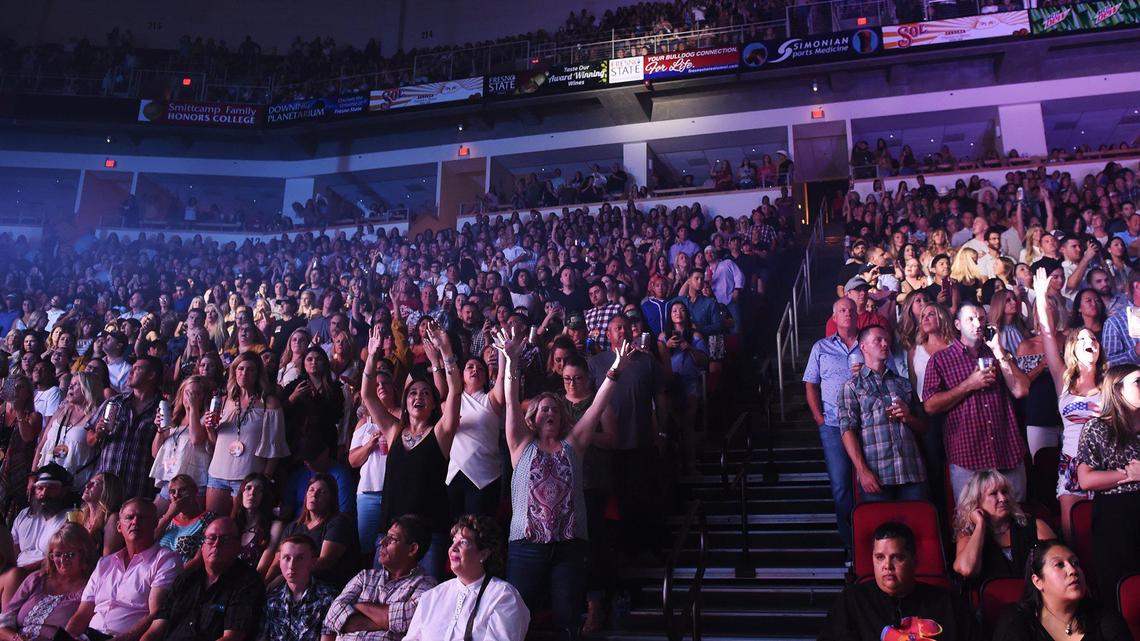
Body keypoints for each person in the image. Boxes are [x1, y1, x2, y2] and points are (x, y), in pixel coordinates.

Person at [497, 326, 630, 639]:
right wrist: (511, 362)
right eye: (543, 408)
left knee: (567, 618)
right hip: (526, 546)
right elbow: (510, 401)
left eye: (555, 409)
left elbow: (597, 405)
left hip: (569, 546)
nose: (550, 412)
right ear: (533, 418)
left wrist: (614, 370)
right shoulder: (520, 444)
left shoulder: (575, 444)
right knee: (519, 618)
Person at [361, 320, 462, 580]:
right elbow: (368, 396)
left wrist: (446, 350)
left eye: (426, 394)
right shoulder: (394, 431)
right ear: (405, 402)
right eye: (413, 393)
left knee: (424, 602)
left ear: (433, 404)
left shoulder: (441, 432)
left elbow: (455, 391)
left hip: (428, 533)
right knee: (381, 591)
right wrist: (372, 358)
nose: (419, 397)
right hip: (390, 530)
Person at [923, 302, 1030, 502]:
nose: (978, 323)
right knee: (970, 521)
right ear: (957, 325)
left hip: (1006, 450)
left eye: (981, 318)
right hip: (968, 455)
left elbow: (1021, 389)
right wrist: (968, 385)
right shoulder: (941, 360)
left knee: (1017, 519)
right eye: (970, 319)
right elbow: (930, 405)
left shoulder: (997, 354)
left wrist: (998, 350)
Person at [1033, 267, 1104, 542]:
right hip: (1072, 465)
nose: (1089, 342)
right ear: (1072, 349)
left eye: (1093, 339)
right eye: (1082, 339)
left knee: (1105, 536)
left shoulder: (1110, 384)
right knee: (1074, 538)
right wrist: (1040, 298)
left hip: (1104, 467)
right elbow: (1049, 334)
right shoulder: (1064, 382)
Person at [817, 522, 977, 641]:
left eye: (897, 557)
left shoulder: (948, 603)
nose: (887, 566)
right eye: (880, 557)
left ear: (914, 560)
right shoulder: (852, 601)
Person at [65, 499, 182, 641]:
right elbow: (83, 612)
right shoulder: (104, 564)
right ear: (119, 527)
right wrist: (68, 637)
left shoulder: (165, 560)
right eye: (129, 517)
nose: (135, 522)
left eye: (142, 517)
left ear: (155, 523)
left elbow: (156, 614)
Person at [1074, 363, 1140, 609]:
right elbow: (1086, 479)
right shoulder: (1098, 427)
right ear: (1118, 389)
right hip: (1115, 515)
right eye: (1138, 382)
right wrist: (1130, 474)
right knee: (1121, 588)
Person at [402, 515, 528, 641]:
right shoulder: (431, 597)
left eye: (463, 542)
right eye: (453, 541)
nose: (453, 548)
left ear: (484, 554)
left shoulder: (503, 596)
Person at [838, 325, 928, 501]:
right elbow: (847, 431)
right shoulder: (852, 386)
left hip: (911, 473)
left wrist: (908, 417)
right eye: (878, 340)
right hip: (878, 476)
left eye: (886, 340)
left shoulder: (904, 383)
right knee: (880, 527)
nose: (885, 344)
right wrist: (862, 471)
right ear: (863, 347)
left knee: (917, 526)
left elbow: (924, 427)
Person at [139, 518, 264, 641]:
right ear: (202, 546)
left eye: (225, 539)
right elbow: (154, 631)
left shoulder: (248, 582)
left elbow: (232, 637)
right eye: (211, 538)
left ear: (238, 546)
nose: (216, 544)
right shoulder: (186, 578)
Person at [201, 352, 290, 516]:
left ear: (258, 374)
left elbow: (275, 448)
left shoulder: (269, 403)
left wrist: (264, 479)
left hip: (248, 478)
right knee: (213, 524)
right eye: (240, 369)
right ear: (234, 372)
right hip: (217, 474)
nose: (244, 373)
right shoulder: (224, 400)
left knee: (238, 527)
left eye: (250, 370)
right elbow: (215, 442)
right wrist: (209, 428)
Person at [323, 515, 437, 641]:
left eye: (392, 539)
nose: (382, 542)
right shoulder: (365, 576)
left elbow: (405, 621)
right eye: (385, 536)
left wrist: (357, 606)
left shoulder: (426, 585)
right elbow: (332, 615)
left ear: (412, 549)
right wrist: (384, 623)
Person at [804, 298, 860, 549]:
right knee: (840, 486)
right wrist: (819, 417)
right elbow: (811, 384)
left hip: (866, 424)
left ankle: (870, 542)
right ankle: (851, 546)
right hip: (833, 425)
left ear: (858, 315)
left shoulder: (868, 344)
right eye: (842, 311)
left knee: (869, 485)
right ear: (834, 318)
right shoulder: (820, 347)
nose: (847, 314)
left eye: (851, 310)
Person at [993, 540, 1133, 641]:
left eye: (1076, 563)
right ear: (1037, 581)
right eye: (1059, 565)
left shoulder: (1105, 618)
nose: (1073, 570)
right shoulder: (1017, 620)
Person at [951, 469, 1055, 586]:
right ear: (977, 501)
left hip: (1036, 600)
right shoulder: (968, 534)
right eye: (993, 493)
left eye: (1004, 492)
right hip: (993, 602)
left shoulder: (1035, 526)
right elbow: (966, 570)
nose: (1003, 498)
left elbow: (1059, 566)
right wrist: (980, 525)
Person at [0, 523, 97, 641]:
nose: (62, 560)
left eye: (70, 555)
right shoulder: (36, 579)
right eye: (57, 554)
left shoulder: (90, 587)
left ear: (83, 554)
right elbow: (4, 622)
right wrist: (14, 638)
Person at [85, 356, 163, 500]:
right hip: (105, 486)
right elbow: (89, 439)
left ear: (151, 375)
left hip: (139, 486)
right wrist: (98, 434)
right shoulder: (114, 403)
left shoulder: (162, 408)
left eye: (137, 369)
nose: (130, 372)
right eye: (131, 368)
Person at [270, 474, 358, 588]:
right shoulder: (293, 527)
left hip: (324, 586)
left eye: (322, 492)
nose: (314, 495)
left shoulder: (339, 523)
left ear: (331, 499)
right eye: (311, 490)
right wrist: (265, 583)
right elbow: (277, 562)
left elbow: (324, 562)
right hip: (292, 582)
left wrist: (285, 577)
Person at [3, 465, 72, 607]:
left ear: (64, 491)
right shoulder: (24, 515)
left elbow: (58, 560)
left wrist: (19, 572)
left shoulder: (70, 517)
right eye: (40, 488)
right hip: (13, 574)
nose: (44, 493)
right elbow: (12, 553)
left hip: (44, 577)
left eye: (51, 488)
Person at [447, 355, 504, 520]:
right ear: (461, 374)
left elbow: (501, 377)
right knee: (454, 532)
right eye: (470, 367)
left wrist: (502, 352)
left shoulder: (491, 399)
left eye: (480, 369)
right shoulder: (451, 402)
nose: (475, 370)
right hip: (453, 475)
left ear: (486, 377)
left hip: (485, 476)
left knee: (479, 534)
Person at [150, 376, 211, 513]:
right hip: (171, 481)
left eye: (196, 394)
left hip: (195, 482)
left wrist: (193, 409)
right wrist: (160, 430)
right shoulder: (174, 420)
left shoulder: (205, 418)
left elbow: (196, 439)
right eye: (188, 393)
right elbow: (155, 453)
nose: (191, 397)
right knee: (155, 516)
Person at [261, 535, 337, 641]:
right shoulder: (272, 600)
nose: (292, 565)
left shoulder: (328, 599)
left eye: (300, 558)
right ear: (279, 562)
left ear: (313, 562)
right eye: (287, 558)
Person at [33, 372, 99, 489]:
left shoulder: (95, 416)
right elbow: (41, 445)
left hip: (75, 484)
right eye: (71, 383)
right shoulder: (61, 410)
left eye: (76, 384)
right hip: (45, 480)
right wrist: (32, 475)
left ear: (88, 388)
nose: (70, 386)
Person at [155, 475, 215, 566]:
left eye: (183, 490)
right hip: (156, 571)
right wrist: (168, 515)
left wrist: (175, 575)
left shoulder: (208, 519)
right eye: (172, 492)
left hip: (182, 575)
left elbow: (199, 559)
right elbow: (149, 542)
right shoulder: (167, 519)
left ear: (194, 491)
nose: (177, 495)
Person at [231, 473, 282, 577]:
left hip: (251, 582)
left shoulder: (275, 525)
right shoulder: (232, 523)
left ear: (265, 496)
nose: (252, 493)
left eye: (259, 490)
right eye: (248, 488)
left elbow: (262, 568)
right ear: (242, 492)